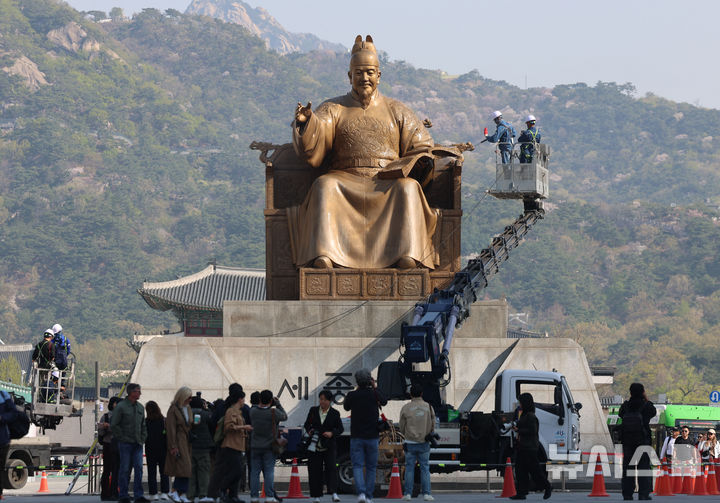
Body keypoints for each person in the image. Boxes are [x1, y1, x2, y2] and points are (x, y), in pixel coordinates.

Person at [292, 34, 438, 270]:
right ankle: (325, 254)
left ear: (379, 75)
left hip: (387, 179)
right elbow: (317, 136)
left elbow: (422, 145)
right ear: (349, 76)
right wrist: (306, 122)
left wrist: (419, 160)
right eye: (358, 73)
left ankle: (407, 254)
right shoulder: (334, 108)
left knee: (408, 188)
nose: (364, 78)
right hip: (345, 177)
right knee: (324, 186)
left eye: (370, 72)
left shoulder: (397, 110)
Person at [343, 368, 387, 503]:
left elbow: (346, 407)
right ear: (370, 380)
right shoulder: (374, 394)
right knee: (371, 467)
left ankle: (361, 493)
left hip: (356, 436)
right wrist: (375, 386)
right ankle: (368, 496)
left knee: (357, 465)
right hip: (372, 436)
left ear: (357, 381)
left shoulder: (352, 395)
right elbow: (384, 401)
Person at [110, 383, 149, 503]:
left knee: (139, 469)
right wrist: (121, 437)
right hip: (125, 443)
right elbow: (114, 424)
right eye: (138, 391)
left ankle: (138, 495)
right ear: (131, 392)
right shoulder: (121, 407)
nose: (140, 393)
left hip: (138, 443)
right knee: (125, 469)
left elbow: (143, 425)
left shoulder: (140, 407)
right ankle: (123, 495)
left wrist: (143, 438)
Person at [303, 390, 344, 503]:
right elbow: (307, 424)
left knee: (331, 468)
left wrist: (332, 433)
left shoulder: (335, 413)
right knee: (315, 470)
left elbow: (340, 429)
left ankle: (334, 492)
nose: (322, 402)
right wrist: (309, 430)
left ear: (330, 401)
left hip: (329, 445)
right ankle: (316, 495)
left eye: (325, 400)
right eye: (321, 399)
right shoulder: (313, 410)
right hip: (314, 445)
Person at [509, 393, 552, 500]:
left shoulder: (531, 416)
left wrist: (518, 430)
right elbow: (521, 425)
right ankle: (522, 492)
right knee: (520, 470)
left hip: (529, 448)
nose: (519, 404)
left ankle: (547, 486)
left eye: (521, 402)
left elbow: (532, 431)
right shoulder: (524, 415)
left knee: (534, 470)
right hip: (523, 447)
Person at [618, 383, 656, 501]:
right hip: (643, 441)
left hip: (627, 441)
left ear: (630, 392)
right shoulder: (647, 405)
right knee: (643, 467)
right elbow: (653, 412)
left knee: (627, 468)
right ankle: (643, 494)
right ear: (643, 392)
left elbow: (620, 414)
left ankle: (627, 494)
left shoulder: (625, 406)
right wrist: (646, 398)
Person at [249, 389, 287, 503]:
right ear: (271, 401)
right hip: (269, 447)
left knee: (254, 472)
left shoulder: (253, 411)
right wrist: (278, 404)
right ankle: (269, 497)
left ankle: (254, 497)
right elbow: (285, 416)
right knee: (269, 472)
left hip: (255, 446)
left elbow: (256, 408)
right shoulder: (273, 412)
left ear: (260, 399)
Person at [399, 384, 435, 502]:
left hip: (410, 442)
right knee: (425, 468)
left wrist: (406, 435)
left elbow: (402, 426)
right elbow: (433, 423)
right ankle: (427, 494)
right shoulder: (428, 407)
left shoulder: (406, 408)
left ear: (410, 394)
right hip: (424, 442)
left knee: (409, 468)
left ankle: (408, 494)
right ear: (421, 394)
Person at [217, 389, 252, 503]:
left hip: (238, 446)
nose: (244, 401)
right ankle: (222, 489)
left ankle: (233, 495)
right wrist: (244, 427)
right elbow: (228, 427)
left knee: (237, 471)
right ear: (239, 399)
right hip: (231, 445)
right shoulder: (231, 411)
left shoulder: (238, 412)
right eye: (243, 399)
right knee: (236, 471)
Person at [165, 386, 193, 503]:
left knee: (186, 468)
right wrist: (173, 446)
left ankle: (181, 492)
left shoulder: (188, 408)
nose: (190, 399)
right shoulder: (173, 409)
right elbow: (170, 428)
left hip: (187, 441)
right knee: (183, 467)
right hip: (178, 440)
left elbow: (189, 423)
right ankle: (175, 490)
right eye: (189, 397)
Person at [188, 395, 215, 503]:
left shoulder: (187, 414)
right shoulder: (206, 414)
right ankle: (203, 494)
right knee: (203, 472)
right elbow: (212, 425)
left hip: (190, 446)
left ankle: (190, 495)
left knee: (191, 473)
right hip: (204, 447)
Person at [145, 400, 170, 501]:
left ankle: (153, 493)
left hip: (150, 449)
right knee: (164, 472)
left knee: (151, 472)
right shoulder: (163, 420)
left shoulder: (146, 422)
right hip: (163, 449)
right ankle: (164, 492)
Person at [98, 396, 120, 501]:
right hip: (108, 445)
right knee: (107, 470)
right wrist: (103, 427)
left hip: (117, 445)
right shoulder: (105, 416)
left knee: (115, 470)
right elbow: (100, 432)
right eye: (117, 403)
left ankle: (113, 492)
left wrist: (108, 427)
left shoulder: (121, 416)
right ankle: (106, 493)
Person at [0, 389, 19, 501]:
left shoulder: (3, 395)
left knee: (1, 467)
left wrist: (2, 418)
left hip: (2, 440)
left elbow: (14, 413)